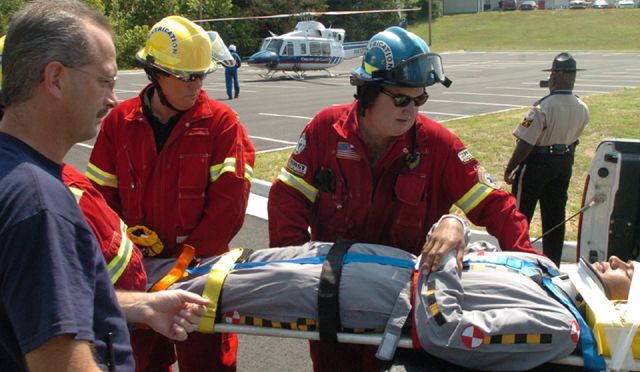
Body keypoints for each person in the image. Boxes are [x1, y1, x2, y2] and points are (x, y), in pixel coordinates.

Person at [267, 26, 540, 371]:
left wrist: (532, 271)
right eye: (400, 99)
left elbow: (496, 206)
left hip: (399, 309)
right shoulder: (324, 131)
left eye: (419, 99)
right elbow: (288, 199)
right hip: (332, 301)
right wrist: (295, 274)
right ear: (367, 92)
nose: (411, 110)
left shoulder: (439, 145)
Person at [0, 1, 208, 370]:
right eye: (105, 82)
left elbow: (27, 303)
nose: (113, 99)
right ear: (56, 79)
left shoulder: (11, 173)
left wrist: (139, 306)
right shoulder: (39, 203)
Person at [145, 233, 637, 371]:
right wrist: (458, 232)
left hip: (362, 295)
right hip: (359, 261)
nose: (621, 259)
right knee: (223, 262)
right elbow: (469, 257)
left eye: (633, 271)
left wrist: (446, 244)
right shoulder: (549, 273)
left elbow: (449, 330)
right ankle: (115, 275)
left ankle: (99, 301)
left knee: (203, 292)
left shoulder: (559, 325)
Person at [86, 15, 255, 372]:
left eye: (202, 75)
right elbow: (100, 199)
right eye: (187, 76)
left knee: (209, 364)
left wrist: (185, 263)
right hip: (137, 277)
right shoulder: (120, 123)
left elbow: (229, 205)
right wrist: (127, 254)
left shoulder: (222, 124)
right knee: (138, 363)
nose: (197, 85)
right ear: (156, 74)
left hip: (199, 277)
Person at [504, 52, 589, 267]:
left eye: (552, 74)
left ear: (558, 76)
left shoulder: (543, 107)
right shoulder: (582, 107)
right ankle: (553, 263)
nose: (550, 79)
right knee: (555, 216)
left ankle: (514, 259)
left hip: (537, 164)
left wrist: (511, 168)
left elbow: (526, 142)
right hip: (564, 163)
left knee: (520, 214)